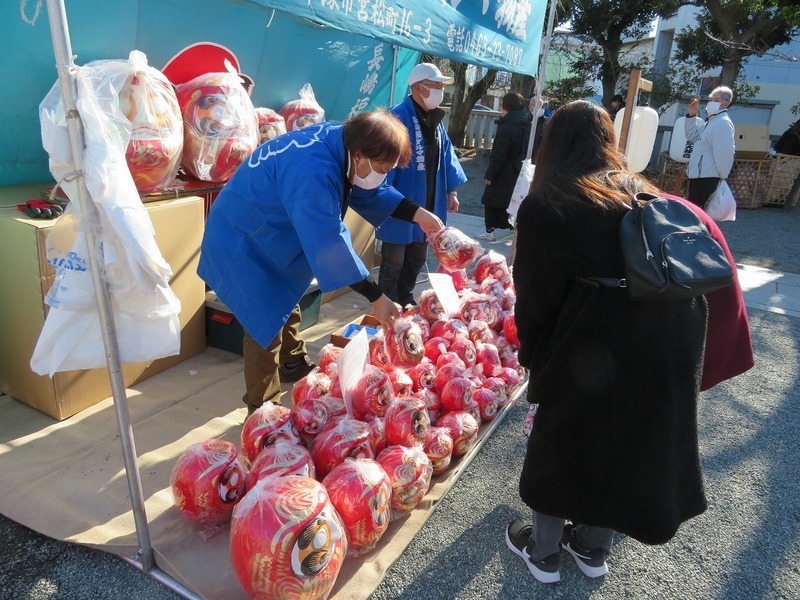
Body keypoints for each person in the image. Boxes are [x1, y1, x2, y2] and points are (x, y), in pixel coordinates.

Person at [506, 100, 748, 584]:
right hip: (663, 339)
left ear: (555, 143)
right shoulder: (645, 192)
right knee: (626, 440)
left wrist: (534, 357)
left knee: (562, 439)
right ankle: (593, 548)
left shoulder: (548, 203)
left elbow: (536, 295)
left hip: (588, 336)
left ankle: (546, 551)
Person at [198, 110, 444, 415]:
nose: (382, 174)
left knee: (286, 298)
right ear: (359, 156)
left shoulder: (341, 143)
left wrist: (416, 213)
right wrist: (375, 295)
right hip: (243, 237)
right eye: (381, 168)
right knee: (263, 320)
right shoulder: (312, 171)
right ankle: (263, 412)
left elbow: (370, 191)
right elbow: (330, 243)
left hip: (269, 229)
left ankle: (292, 363)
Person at [376, 62, 467, 309]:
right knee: (393, 258)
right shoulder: (396, 117)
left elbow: (447, 156)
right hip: (401, 200)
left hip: (429, 197)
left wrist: (452, 190)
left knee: (417, 254)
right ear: (418, 88)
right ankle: (386, 302)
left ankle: (405, 297)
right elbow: (384, 163)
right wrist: (383, 197)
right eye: (435, 85)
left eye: (441, 86)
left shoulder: (435, 120)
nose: (440, 90)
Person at [476, 92, 530, 241]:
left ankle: (489, 231)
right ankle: (512, 231)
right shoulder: (525, 123)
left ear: (506, 106)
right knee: (511, 203)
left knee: (491, 200)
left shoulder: (507, 127)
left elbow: (499, 154)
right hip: (517, 171)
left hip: (502, 171)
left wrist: (490, 174)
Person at [684, 86, 735, 207]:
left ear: (726, 103)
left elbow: (724, 154)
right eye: (711, 99)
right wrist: (692, 116)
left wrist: (723, 176)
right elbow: (692, 136)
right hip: (699, 175)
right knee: (694, 211)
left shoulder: (723, 123)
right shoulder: (710, 122)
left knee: (696, 212)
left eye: (716, 100)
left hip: (707, 177)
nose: (711, 103)